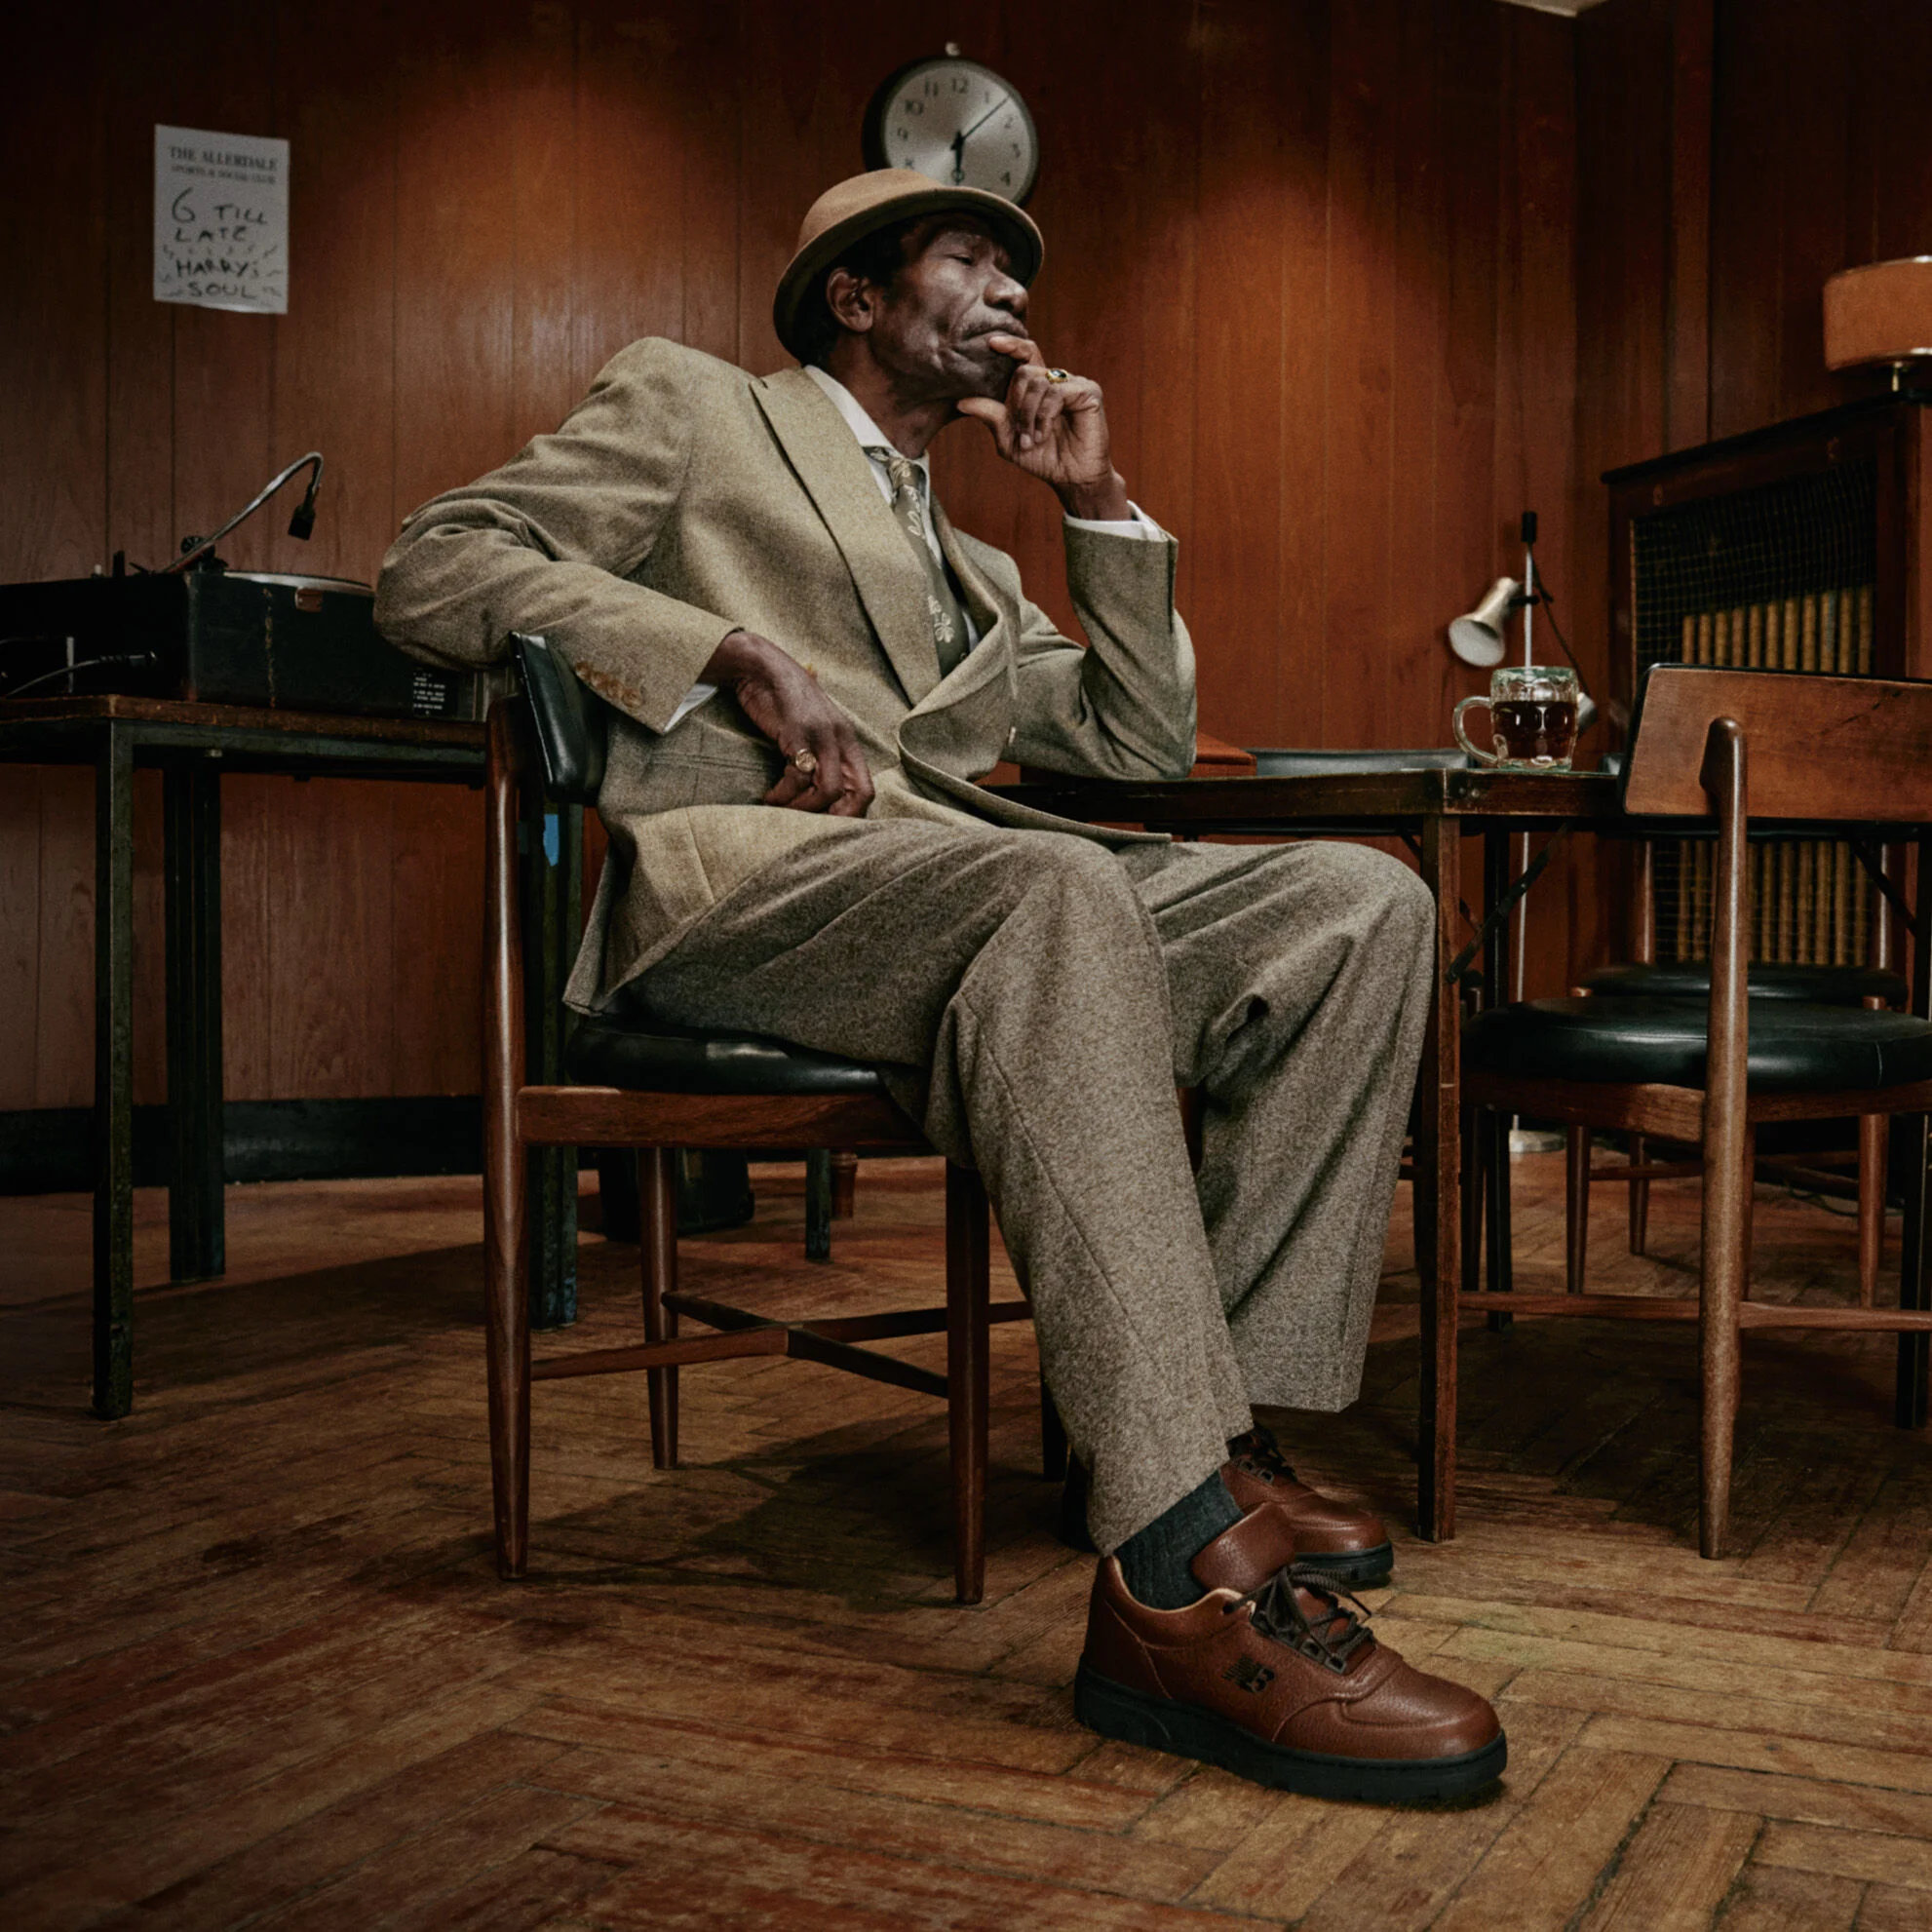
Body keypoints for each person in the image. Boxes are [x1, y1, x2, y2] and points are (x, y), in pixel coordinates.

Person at [375, 169, 1504, 1801]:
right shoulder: (696, 409)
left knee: (1355, 901)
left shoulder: (970, 558)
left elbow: (1125, 742)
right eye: (971, 259)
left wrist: (1094, 510)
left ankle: (1192, 1430)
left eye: (1015, 273)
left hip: (967, 887)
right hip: (747, 883)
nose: (1010, 296)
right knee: (1051, 884)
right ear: (854, 292)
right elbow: (434, 564)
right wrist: (716, 649)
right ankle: (1183, 1577)